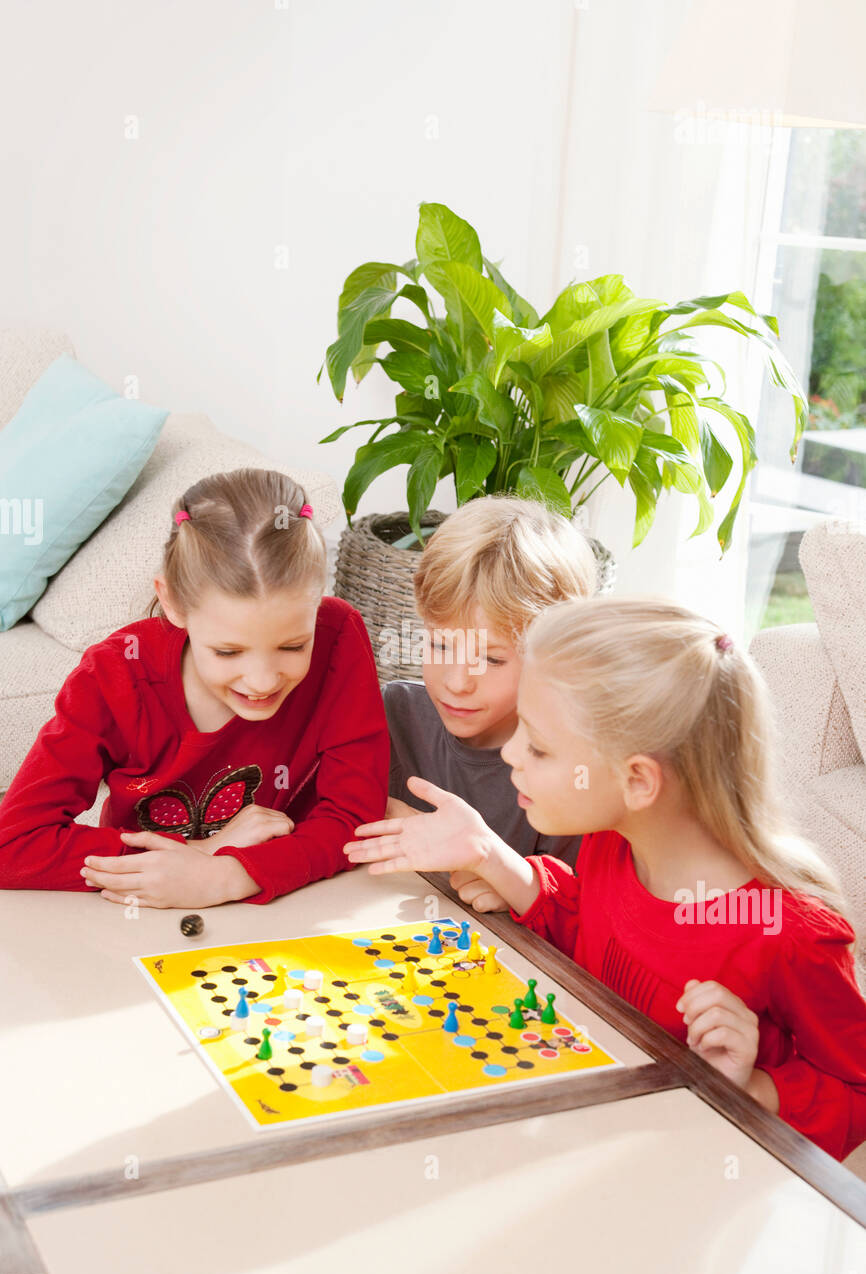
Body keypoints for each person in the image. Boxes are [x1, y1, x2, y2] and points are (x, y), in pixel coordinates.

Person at [346, 595, 866, 1160]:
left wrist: (749, 1087)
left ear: (638, 780)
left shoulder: (789, 935)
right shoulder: (612, 844)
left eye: (539, 746)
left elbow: (857, 1091)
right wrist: (493, 860)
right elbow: (588, 926)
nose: (512, 753)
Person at [0, 469, 389, 907]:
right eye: (228, 652)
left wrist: (227, 875)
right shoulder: (114, 674)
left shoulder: (338, 635)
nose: (262, 681)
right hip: (141, 912)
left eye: (293, 646)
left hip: (288, 906)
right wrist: (199, 854)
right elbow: (12, 846)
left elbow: (354, 817)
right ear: (173, 602)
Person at [384, 495, 597, 913]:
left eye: (491, 658)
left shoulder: (574, 772)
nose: (458, 682)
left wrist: (509, 881)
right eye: (441, 645)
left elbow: (582, 917)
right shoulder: (393, 715)